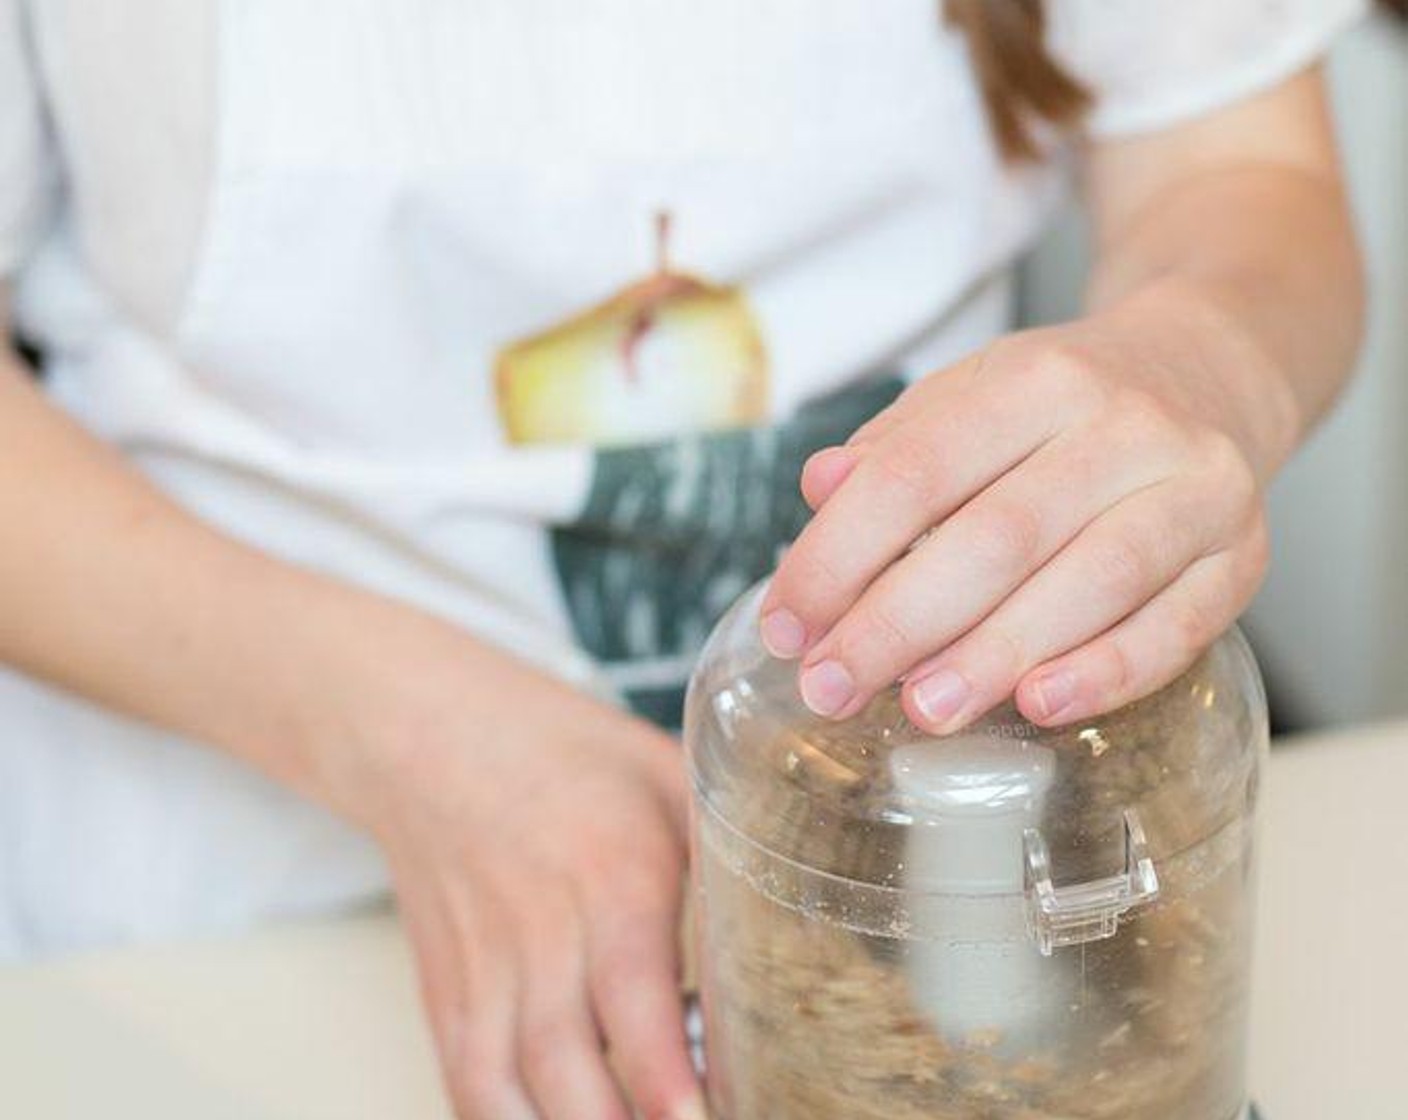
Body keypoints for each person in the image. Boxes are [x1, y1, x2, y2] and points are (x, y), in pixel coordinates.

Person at [0, 2, 1367, 1118]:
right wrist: (412, 738)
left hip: (946, 900)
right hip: (221, 908)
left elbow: (1237, 169)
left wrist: (1201, 365)